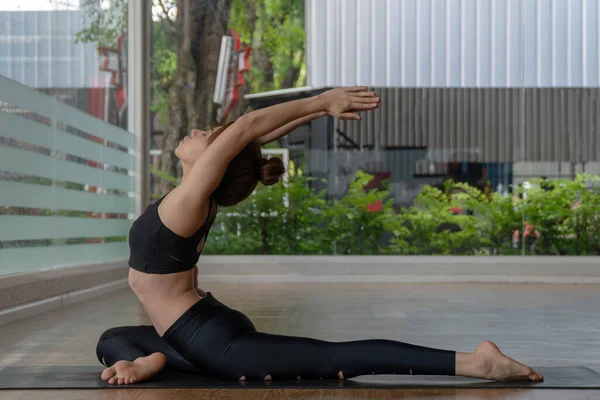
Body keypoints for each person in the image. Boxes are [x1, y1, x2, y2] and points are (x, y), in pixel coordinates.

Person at [97, 87, 544, 385]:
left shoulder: (189, 201)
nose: (197, 132)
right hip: (193, 328)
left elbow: (248, 130)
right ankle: (147, 360)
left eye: (208, 136)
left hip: (216, 342)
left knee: (335, 360)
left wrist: (322, 101)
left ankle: (476, 362)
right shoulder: (196, 195)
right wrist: (314, 111)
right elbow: (251, 137)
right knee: (110, 340)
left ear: (215, 160)